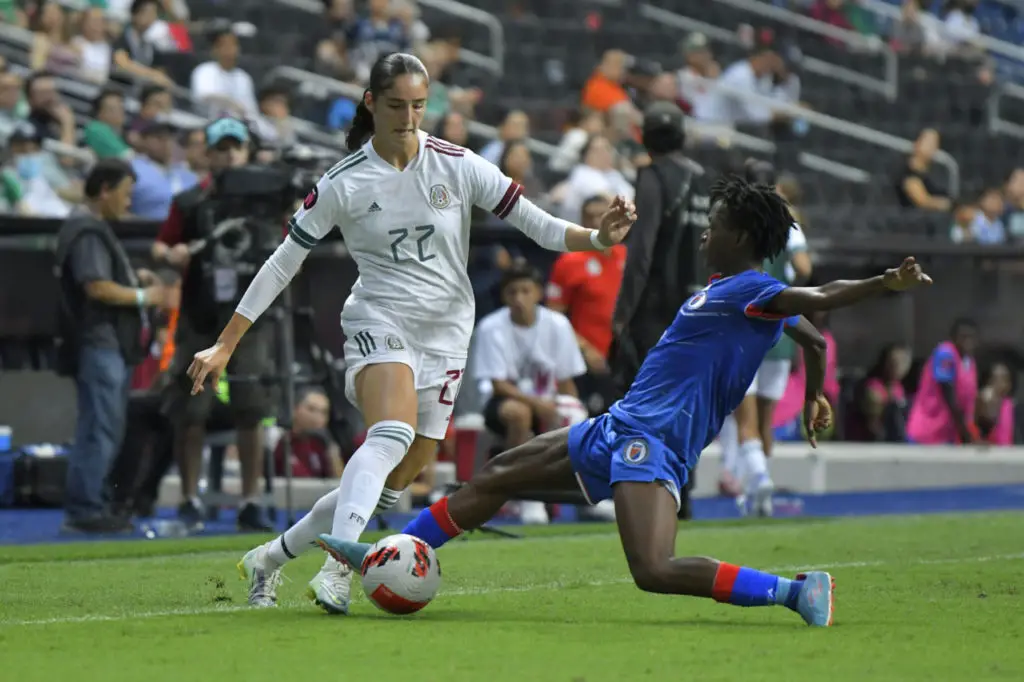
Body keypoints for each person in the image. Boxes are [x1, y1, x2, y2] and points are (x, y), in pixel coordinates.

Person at [318, 175, 933, 627]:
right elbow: (813, 335)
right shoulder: (733, 295)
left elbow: (819, 300)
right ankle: (389, 554)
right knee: (500, 474)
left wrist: (884, 283)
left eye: (714, 224)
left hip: (653, 442)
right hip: (616, 425)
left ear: (740, 235)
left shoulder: (758, 289)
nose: (704, 230)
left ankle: (796, 592)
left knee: (653, 570)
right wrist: (815, 392)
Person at [184, 53, 637, 613]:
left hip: (446, 332)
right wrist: (227, 341)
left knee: (390, 483)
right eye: (397, 105)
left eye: (419, 105)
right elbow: (282, 263)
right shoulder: (342, 183)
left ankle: (269, 559)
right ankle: (336, 572)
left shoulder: (458, 163)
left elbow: (536, 224)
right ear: (371, 103)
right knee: (389, 434)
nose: (409, 117)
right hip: (380, 318)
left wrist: (598, 236)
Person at [152, 118, 275, 533]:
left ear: (246, 152)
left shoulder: (264, 201)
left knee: (251, 408)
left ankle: (250, 500)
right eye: (220, 149)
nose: (228, 156)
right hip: (200, 318)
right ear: (208, 154)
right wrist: (172, 256)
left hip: (250, 321)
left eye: (235, 148)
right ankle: (188, 499)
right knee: (191, 408)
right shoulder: (189, 201)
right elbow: (161, 244)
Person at [55, 158, 166, 533]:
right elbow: (97, 286)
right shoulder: (87, 229)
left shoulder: (91, 226)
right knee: (100, 427)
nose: (128, 202)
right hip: (99, 343)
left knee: (102, 425)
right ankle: (86, 509)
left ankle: (91, 504)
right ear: (105, 190)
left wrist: (134, 276)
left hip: (106, 345)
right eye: (125, 193)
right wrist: (143, 295)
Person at [718, 159, 812, 516]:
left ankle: (753, 483)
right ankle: (762, 490)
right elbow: (805, 268)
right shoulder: (788, 223)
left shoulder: (732, 221)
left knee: (746, 418)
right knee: (767, 415)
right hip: (779, 328)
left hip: (744, 327)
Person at [906, 318, 979, 445]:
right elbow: (950, 397)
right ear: (953, 337)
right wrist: (967, 436)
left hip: (947, 433)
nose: (967, 341)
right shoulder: (945, 354)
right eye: (963, 337)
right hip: (927, 431)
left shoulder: (969, 362)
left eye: (971, 337)